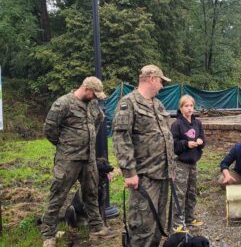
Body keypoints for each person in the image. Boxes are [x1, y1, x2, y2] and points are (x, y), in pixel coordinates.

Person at [41, 76, 117, 247]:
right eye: (95, 94)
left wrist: (88, 140)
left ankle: (96, 226)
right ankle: (48, 234)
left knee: (91, 193)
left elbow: (99, 119)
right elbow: (50, 129)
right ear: (86, 89)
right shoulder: (63, 104)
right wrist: (65, 145)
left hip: (88, 159)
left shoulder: (93, 104)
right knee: (58, 195)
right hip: (68, 159)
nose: (97, 97)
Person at [112, 64, 176, 247]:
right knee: (142, 226)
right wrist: (129, 172)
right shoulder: (128, 103)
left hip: (163, 174)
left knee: (159, 224)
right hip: (144, 177)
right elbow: (121, 138)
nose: (162, 86)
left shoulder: (158, 104)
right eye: (161, 82)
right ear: (152, 79)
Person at [170, 95, 205, 231]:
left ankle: (190, 218)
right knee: (179, 193)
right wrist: (186, 144)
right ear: (181, 108)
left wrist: (201, 142)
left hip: (193, 163)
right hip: (181, 164)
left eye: (191, 106)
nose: (189, 108)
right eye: (186, 106)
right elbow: (173, 144)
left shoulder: (198, 123)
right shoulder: (177, 124)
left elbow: (202, 138)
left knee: (192, 192)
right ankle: (177, 224)